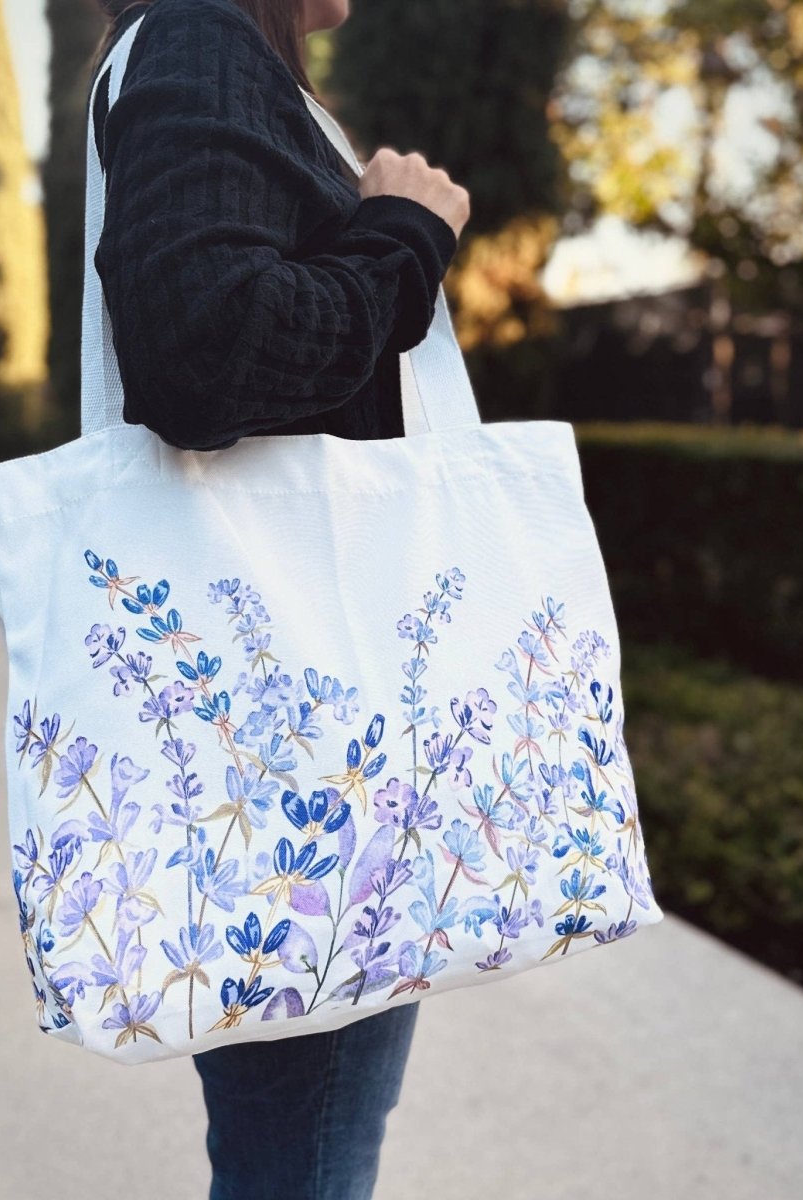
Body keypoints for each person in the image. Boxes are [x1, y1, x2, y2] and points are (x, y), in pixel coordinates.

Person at [88, 1, 471, 1195]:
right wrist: (406, 231)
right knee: (304, 1156)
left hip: (296, 724)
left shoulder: (186, 51)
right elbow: (205, 350)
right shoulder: (203, 36)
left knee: (300, 1139)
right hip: (307, 744)